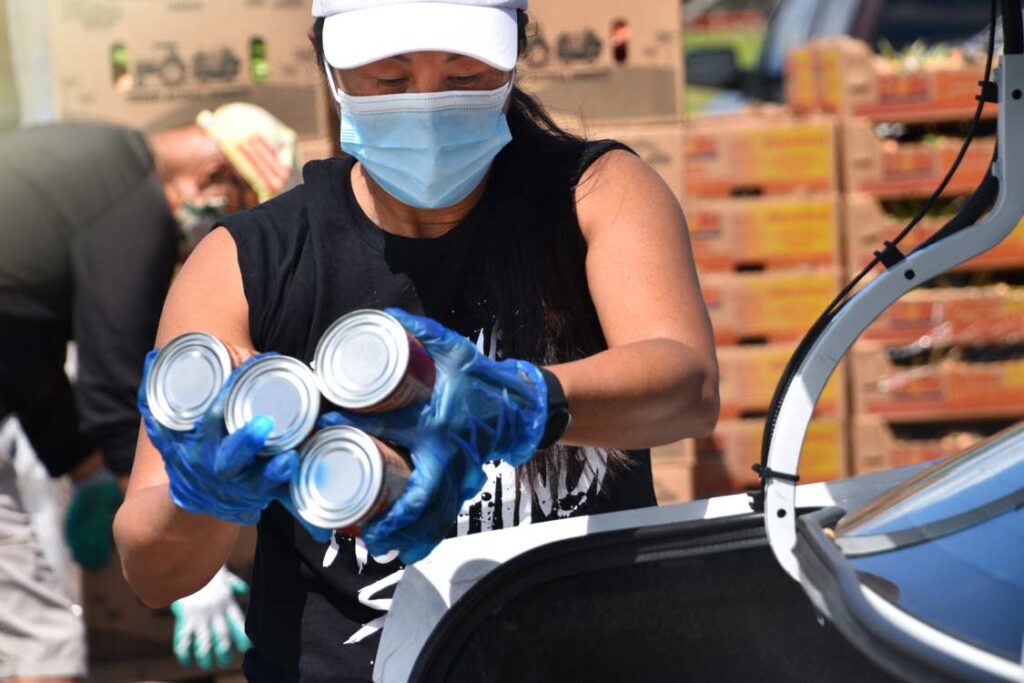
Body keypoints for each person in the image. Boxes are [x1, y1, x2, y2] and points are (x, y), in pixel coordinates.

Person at [114, 0, 720, 679]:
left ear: (514, 58)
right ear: (328, 67)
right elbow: (152, 569)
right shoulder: (246, 263)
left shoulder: (594, 194)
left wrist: (529, 402)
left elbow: (686, 385)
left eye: (464, 77)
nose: (428, 107)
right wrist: (201, 491)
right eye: (390, 80)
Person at [0, 103, 299, 680]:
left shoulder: (89, 163)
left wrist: (81, 467)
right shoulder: (131, 202)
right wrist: (187, 554)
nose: (211, 237)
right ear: (215, 176)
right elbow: (115, 387)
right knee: (43, 644)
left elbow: (22, 346)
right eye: (234, 212)